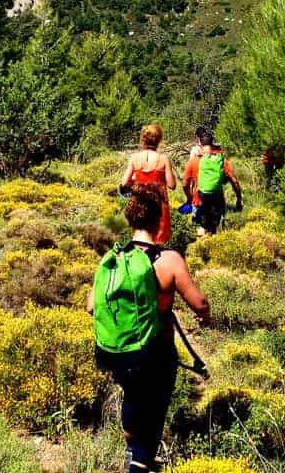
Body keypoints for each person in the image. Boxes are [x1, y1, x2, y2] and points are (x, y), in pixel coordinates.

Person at [91, 184, 210, 473]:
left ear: (130, 220)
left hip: (117, 351)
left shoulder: (113, 258)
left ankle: (134, 451)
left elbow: (91, 306)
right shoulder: (169, 260)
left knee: (132, 399)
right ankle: (139, 464)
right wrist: (206, 317)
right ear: (159, 221)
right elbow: (199, 304)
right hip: (155, 351)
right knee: (154, 412)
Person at [122, 123, 177, 244]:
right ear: (159, 140)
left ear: (143, 139)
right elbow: (172, 185)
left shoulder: (134, 158)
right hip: (159, 204)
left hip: (140, 202)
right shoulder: (163, 159)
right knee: (158, 240)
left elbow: (124, 183)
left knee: (141, 237)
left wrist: (135, 180)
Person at [182, 131, 242, 235]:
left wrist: (189, 197)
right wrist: (238, 198)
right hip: (217, 200)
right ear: (212, 144)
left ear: (200, 144)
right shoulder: (221, 160)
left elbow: (184, 183)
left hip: (198, 201)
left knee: (199, 232)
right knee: (217, 232)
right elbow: (234, 181)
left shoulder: (193, 161)